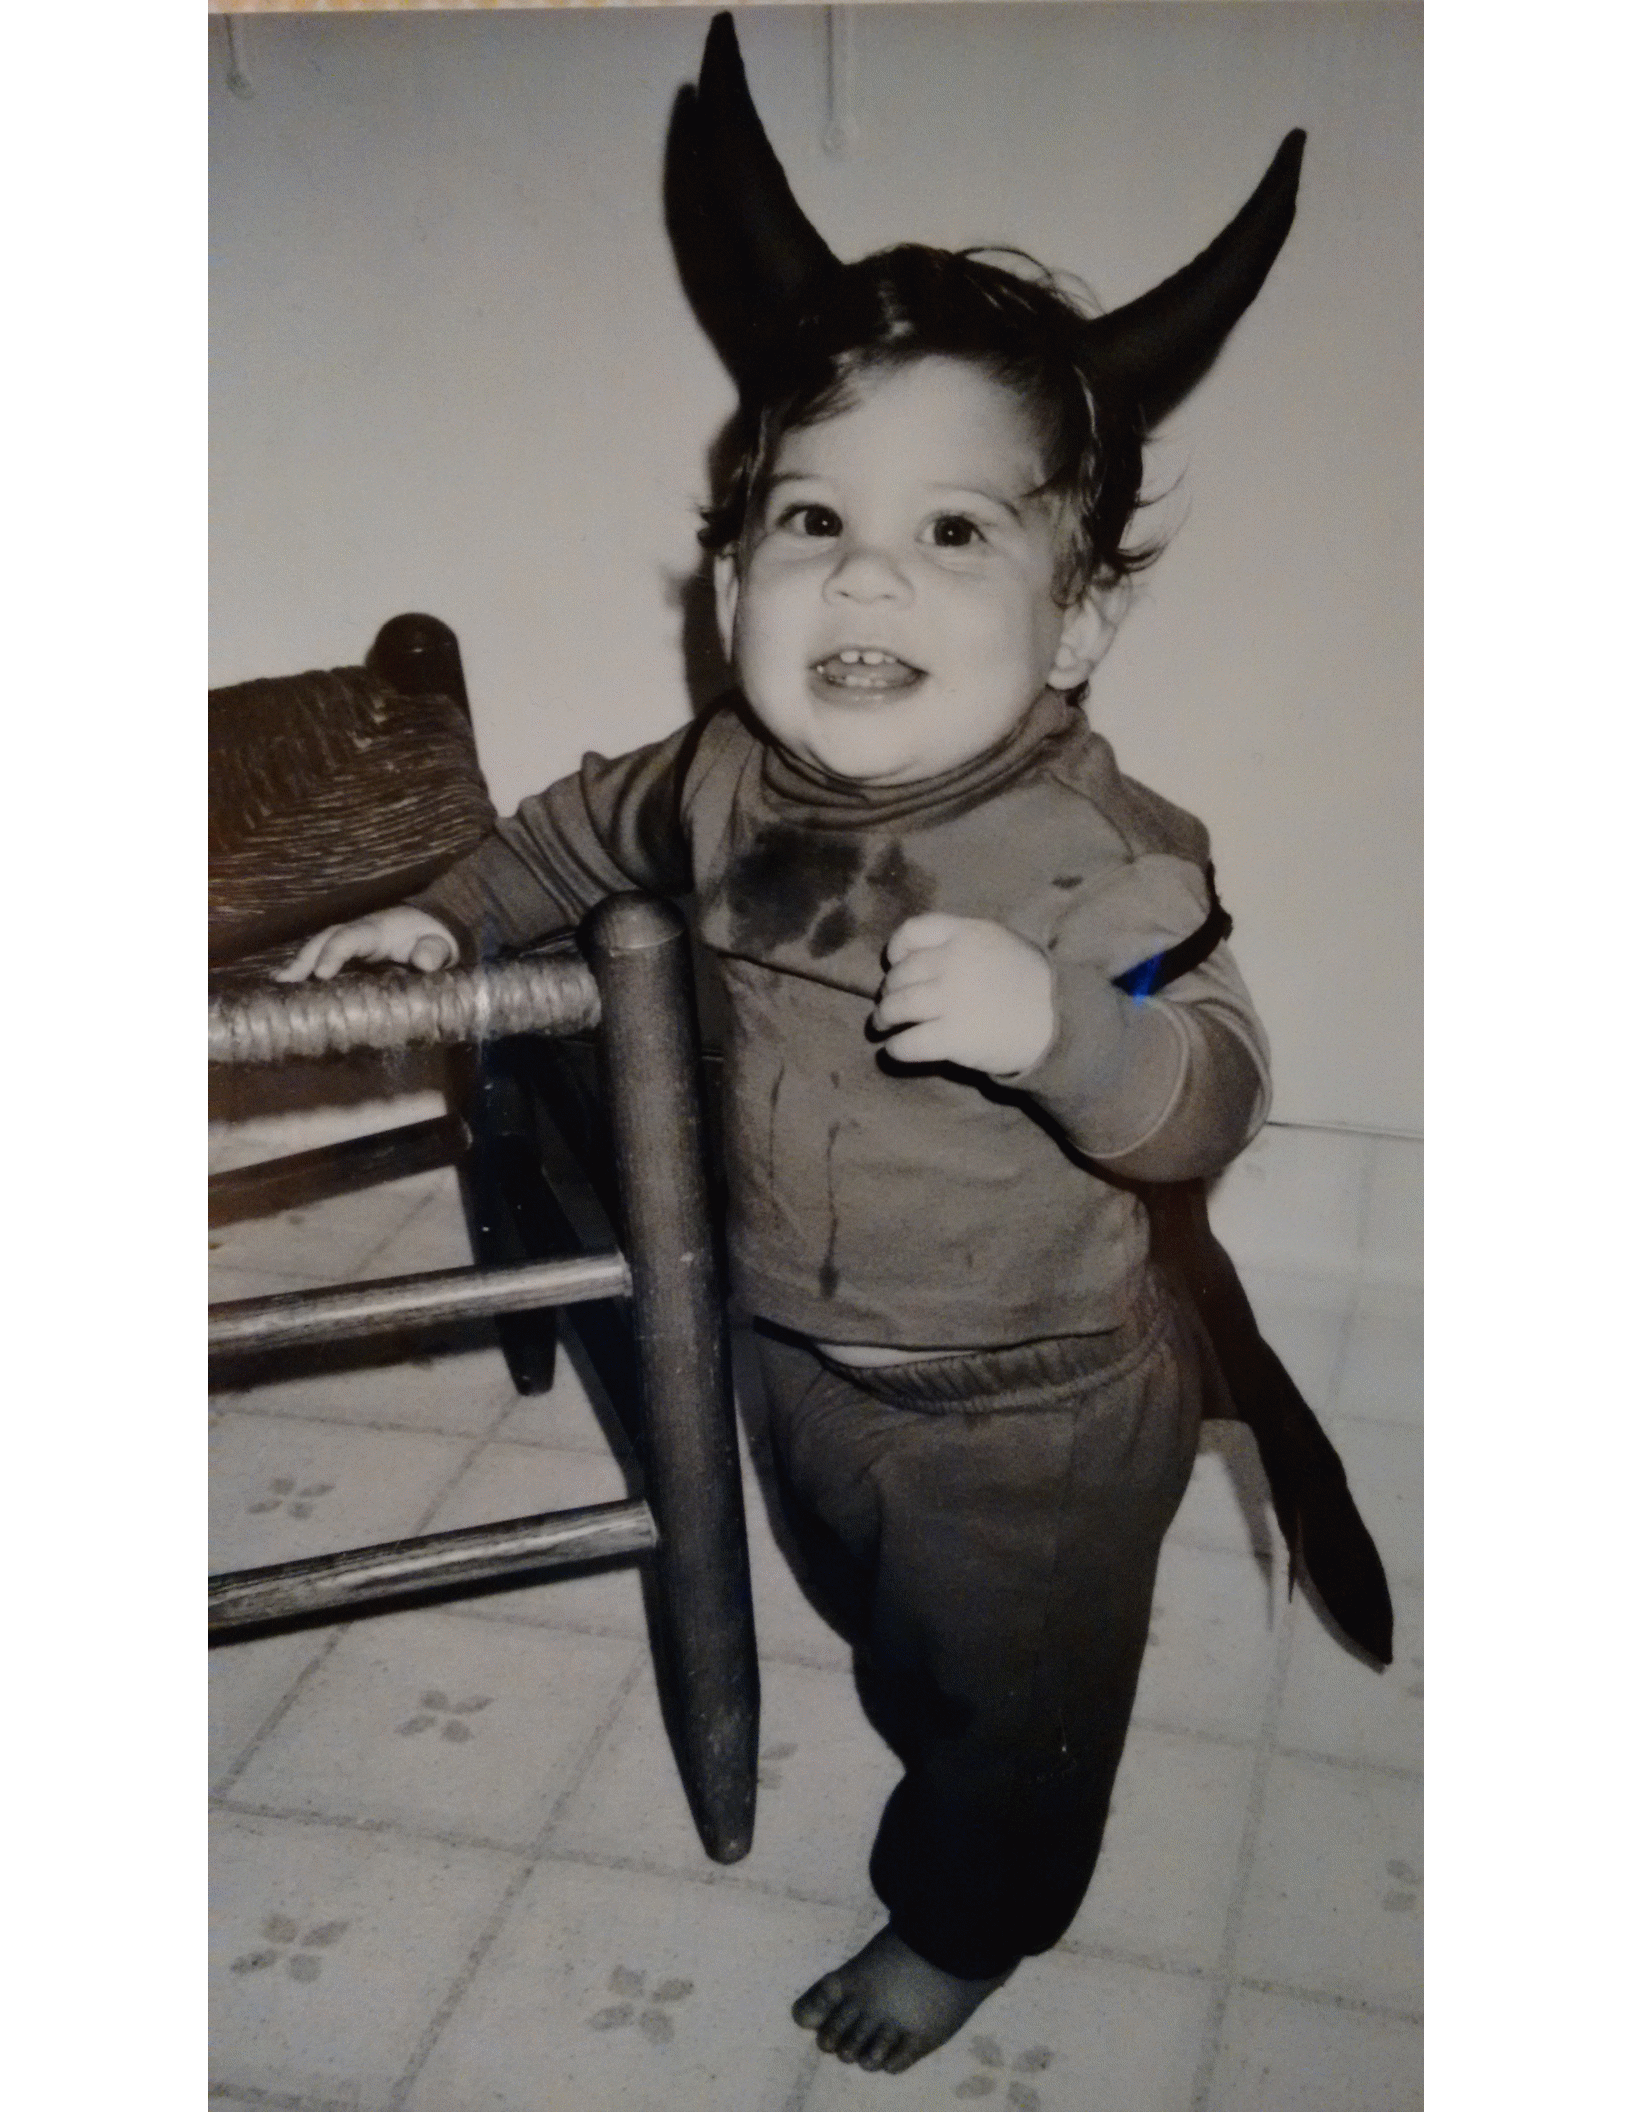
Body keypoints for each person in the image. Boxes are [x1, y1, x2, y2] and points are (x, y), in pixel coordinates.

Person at [279, 15, 1384, 2077]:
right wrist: (447, 910)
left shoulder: (1100, 860)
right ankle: (939, 1711)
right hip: (794, 1348)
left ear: (1076, 620)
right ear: (730, 580)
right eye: (808, 520)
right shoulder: (712, 777)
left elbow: (1214, 1084)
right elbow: (565, 835)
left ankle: (971, 1921)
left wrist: (1068, 1036)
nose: (867, 566)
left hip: (1029, 1411)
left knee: (1008, 1700)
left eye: (956, 532)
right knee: (883, 1616)